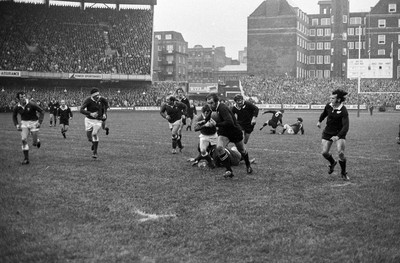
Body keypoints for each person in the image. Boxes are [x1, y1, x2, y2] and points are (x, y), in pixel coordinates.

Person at [206, 92, 253, 178]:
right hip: (224, 132)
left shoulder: (222, 108)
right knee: (219, 148)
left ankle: (248, 165)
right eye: (208, 103)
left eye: (211, 103)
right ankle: (229, 170)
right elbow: (208, 118)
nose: (210, 105)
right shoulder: (213, 108)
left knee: (242, 150)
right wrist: (202, 124)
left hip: (234, 132)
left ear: (216, 101)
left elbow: (230, 122)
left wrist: (216, 124)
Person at [317, 89, 350, 181]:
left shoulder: (343, 110)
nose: (330, 99)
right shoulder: (328, 106)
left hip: (339, 133)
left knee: (341, 153)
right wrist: (319, 121)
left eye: (333, 98)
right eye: (330, 98)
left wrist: (338, 136)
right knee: (324, 153)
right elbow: (324, 114)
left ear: (338, 100)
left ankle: (343, 172)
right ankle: (332, 162)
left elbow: (346, 127)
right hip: (328, 132)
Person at [12, 91, 45, 164]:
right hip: (24, 123)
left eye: (24, 96)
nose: (23, 98)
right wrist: (17, 125)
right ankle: (26, 159)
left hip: (34, 123)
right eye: (21, 97)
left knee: (34, 143)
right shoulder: (17, 107)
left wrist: (39, 122)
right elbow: (14, 116)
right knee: (23, 139)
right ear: (18, 99)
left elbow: (42, 111)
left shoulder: (31, 104)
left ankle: (37, 140)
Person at [80, 88, 107, 159]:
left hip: (98, 120)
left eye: (98, 94)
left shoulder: (101, 99)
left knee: (94, 134)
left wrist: (104, 113)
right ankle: (93, 144)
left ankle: (95, 152)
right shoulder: (88, 100)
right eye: (96, 95)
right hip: (88, 120)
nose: (98, 96)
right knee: (89, 138)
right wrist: (91, 113)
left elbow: (106, 105)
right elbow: (81, 110)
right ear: (92, 95)